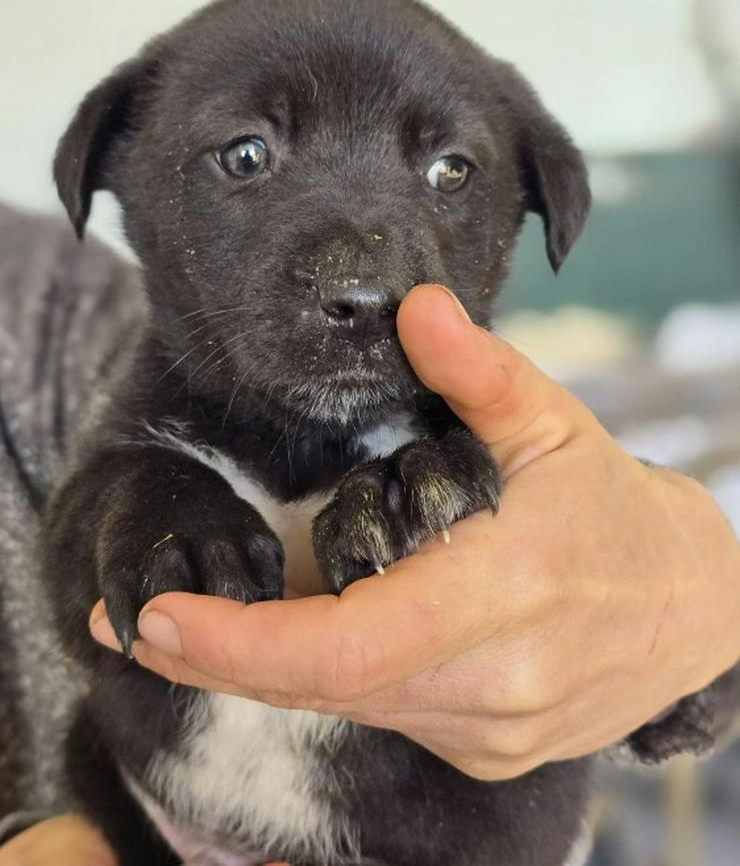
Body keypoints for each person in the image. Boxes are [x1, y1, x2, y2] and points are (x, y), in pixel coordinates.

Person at [2, 282, 739, 864]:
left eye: (448, 171)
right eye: (247, 159)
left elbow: (625, 579)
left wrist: (696, 588)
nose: (354, 276)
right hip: (134, 815)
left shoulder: (49, 310)